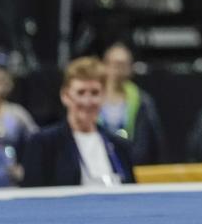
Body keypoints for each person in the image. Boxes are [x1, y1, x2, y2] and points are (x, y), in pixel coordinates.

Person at [22, 56, 135, 187]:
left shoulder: (120, 146)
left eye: (94, 93)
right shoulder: (44, 144)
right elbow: (31, 198)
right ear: (65, 96)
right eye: (81, 93)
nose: (87, 102)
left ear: (103, 96)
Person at [100, 43, 165, 166]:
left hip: (132, 165)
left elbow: (152, 142)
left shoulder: (143, 101)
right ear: (105, 66)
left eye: (123, 65)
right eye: (114, 64)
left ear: (130, 68)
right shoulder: (92, 99)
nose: (118, 69)